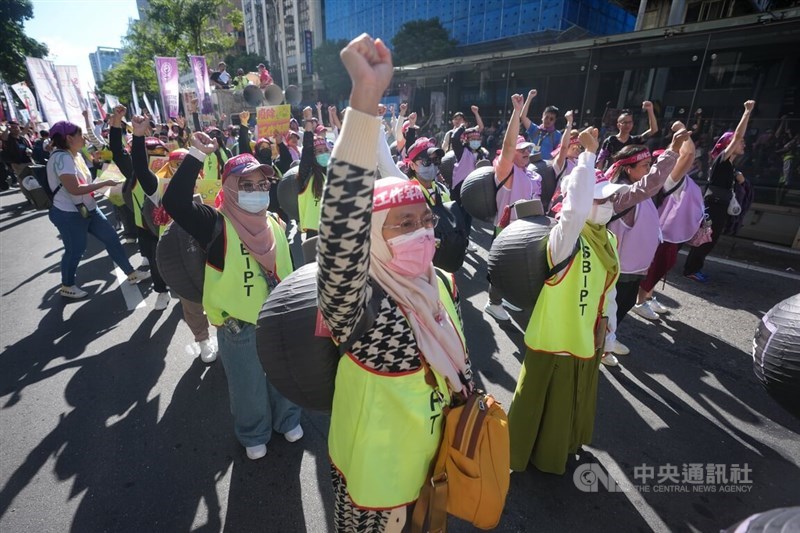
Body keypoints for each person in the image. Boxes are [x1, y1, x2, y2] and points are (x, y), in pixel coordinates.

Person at [318, 33, 473, 531]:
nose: (423, 232)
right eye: (403, 224)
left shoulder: (439, 283)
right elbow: (340, 225)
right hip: (375, 487)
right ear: (370, 238)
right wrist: (365, 101)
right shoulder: (358, 301)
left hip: (433, 467)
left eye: (425, 221)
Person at [163, 141, 303, 460]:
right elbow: (175, 203)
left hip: (278, 319)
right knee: (246, 385)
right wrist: (197, 155)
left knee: (285, 376)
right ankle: (253, 433)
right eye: (246, 185)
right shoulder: (214, 223)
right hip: (239, 326)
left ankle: (288, 419)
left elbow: (287, 267)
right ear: (229, 187)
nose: (257, 191)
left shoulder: (273, 222)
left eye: (261, 184)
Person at [507, 127, 622, 475]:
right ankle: (521, 455)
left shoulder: (609, 240)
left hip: (586, 339)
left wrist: (609, 333)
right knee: (537, 403)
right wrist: (587, 158)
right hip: (553, 339)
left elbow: (609, 290)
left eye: (609, 200)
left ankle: (563, 447)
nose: (607, 205)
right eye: (600, 200)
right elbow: (574, 211)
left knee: (569, 404)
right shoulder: (564, 238)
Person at [601, 130, 686, 367]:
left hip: (635, 267)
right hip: (619, 268)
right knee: (610, 309)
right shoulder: (622, 193)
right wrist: (672, 151)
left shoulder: (639, 191)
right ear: (628, 169)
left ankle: (607, 340)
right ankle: (601, 347)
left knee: (623, 305)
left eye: (650, 165)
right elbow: (652, 183)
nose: (649, 170)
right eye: (645, 165)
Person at [46, 121, 150, 299]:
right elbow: (74, 189)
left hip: (88, 209)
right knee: (75, 250)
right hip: (69, 213)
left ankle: (131, 273)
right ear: (69, 138)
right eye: (80, 135)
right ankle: (67, 285)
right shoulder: (62, 158)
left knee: (112, 239)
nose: (84, 138)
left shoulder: (74, 155)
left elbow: (83, 182)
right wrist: (104, 183)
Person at [484, 93, 542, 322]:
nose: (526, 152)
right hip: (507, 230)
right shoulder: (505, 171)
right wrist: (517, 113)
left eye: (528, 149)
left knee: (518, 269)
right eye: (521, 149)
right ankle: (493, 303)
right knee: (502, 269)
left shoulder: (530, 172)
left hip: (527, 230)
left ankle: (507, 298)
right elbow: (508, 146)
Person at [683, 100, 755, 283]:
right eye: (741, 142)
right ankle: (691, 270)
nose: (743, 145)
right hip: (713, 206)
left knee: (710, 239)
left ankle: (694, 268)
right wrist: (747, 112)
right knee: (705, 239)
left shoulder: (730, 165)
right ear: (730, 144)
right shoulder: (722, 159)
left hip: (720, 206)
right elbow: (738, 135)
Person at [108, 106, 171, 310]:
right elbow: (117, 152)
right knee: (153, 259)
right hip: (145, 226)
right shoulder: (136, 172)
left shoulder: (171, 172)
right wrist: (116, 123)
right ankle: (162, 291)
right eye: (149, 152)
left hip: (171, 226)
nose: (154, 157)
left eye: (159, 152)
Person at [638, 135, 705, 317]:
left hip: (668, 230)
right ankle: (640, 301)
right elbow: (688, 154)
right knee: (654, 266)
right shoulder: (669, 178)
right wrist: (682, 131)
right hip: (659, 232)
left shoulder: (679, 179)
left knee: (661, 265)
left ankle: (647, 297)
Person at [297, 108, 331, 236]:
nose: (324, 154)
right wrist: (308, 120)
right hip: (314, 233)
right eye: (319, 151)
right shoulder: (307, 174)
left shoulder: (333, 174)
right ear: (313, 156)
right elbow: (307, 149)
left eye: (325, 150)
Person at [596, 102, 658, 169]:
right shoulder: (610, 141)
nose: (628, 125)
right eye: (625, 123)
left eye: (630, 122)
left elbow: (653, 130)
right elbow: (600, 160)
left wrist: (650, 110)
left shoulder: (635, 140)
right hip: (612, 173)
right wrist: (599, 174)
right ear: (618, 125)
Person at [519, 90, 561, 162]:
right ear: (542, 116)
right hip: (531, 163)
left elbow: (559, 150)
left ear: (555, 121)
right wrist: (529, 97)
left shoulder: (557, 134)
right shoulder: (535, 129)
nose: (548, 120)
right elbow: (523, 117)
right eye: (546, 117)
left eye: (551, 119)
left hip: (546, 165)